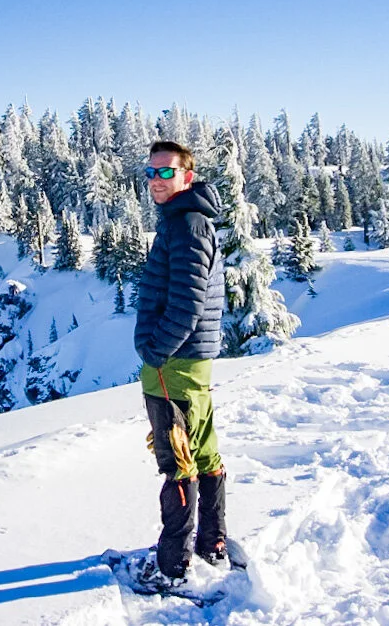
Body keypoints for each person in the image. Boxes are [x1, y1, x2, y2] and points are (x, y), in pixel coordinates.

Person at [133, 140, 227, 588]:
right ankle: (212, 543)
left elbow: (187, 306)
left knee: (178, 461)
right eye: (151, 172)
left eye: (167, 172)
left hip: (174, 366)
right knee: (203, 452)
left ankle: (172, 566)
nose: (156, 180)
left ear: (188, 176)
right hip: (191, 365)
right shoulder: (188, 221)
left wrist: (155, 350)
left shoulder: (187, 226)